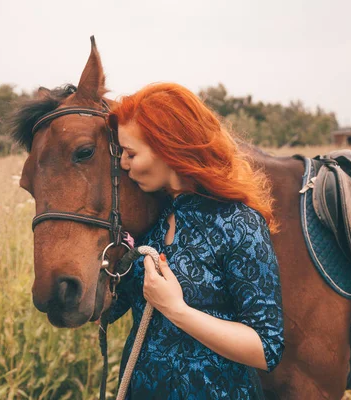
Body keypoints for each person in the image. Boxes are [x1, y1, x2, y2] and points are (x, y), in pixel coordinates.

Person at [107, 82, 284, 399]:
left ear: (168, 149)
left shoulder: (239, 223)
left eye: (131, 153)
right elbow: (110, 308)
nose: (123, 163)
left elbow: (265, 347)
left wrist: (176, 309)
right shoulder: (151, 221)